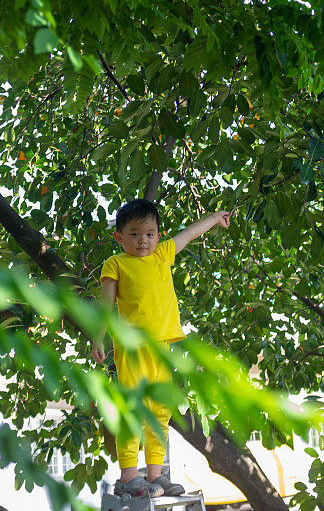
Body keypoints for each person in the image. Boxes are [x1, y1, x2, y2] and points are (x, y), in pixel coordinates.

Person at [91, 199, 231, 498]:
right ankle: (129, 475)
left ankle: (156, 475)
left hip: (164, 347)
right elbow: (106, 305)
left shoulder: (163, 254)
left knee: (160, 412)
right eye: (134, 234)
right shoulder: (116, 264)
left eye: (150, 233)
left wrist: (215, 217)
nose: (143, 240)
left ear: (157, 234)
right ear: (119, 236)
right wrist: (98, 337)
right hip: (133, 349)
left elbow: (190, 233)